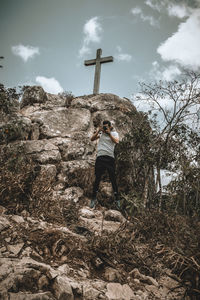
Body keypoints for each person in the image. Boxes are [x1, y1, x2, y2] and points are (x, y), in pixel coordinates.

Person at [90, 120, 120, 209]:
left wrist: (109, 133)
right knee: (97, 178)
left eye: (106, 127)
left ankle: (117, 199)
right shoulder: (101, 134)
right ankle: (93, 199)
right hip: (100, 157)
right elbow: (92, 139)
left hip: (110, 158)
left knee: (113, 178)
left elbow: (116, 141)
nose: (105, 128)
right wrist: (98, 131)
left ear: (110, 127)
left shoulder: (114, 133)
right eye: (104, 127)